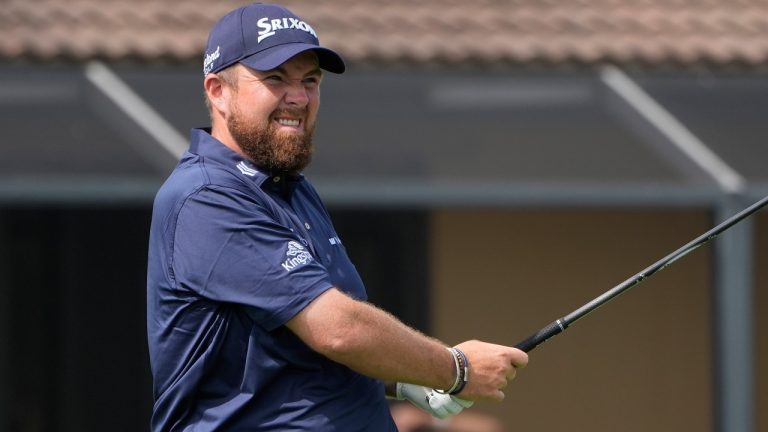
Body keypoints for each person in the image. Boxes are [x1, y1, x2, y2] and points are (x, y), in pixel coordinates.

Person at [146, 3, 529, 431]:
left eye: (310, 80)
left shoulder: (290, 188)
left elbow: (290, 352)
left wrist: (402, 382)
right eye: (275, 78)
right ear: (218, 90)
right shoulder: (207, 196)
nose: (298, 96)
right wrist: (454, 369)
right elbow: (337, 329)